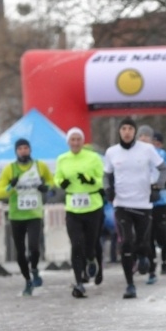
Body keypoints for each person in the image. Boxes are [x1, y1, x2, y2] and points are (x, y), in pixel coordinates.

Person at [104, 118, 166, 299]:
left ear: (134, 132)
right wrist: (108, 190)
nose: (127, 132)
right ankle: (130, 285)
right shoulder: (112, 152)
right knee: (126, 241)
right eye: (123, 128)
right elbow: (106, 174)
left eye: (130, 129)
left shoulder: (147, 149)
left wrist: (157, 187)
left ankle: (143, 256)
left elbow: (164, 169)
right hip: (122, 204)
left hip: (143, 203)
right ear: (119, 132)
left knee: (142, 241)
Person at [0, 138, 54, 296]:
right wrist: (11, 186)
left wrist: (45, 187)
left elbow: (52, 181)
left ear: (30, 150)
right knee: (20, 252)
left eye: (26, 148)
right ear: (16, 151)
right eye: (20, 148)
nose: (23, 151)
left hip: (34, 213)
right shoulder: (10, 169)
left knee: (34, 247)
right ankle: (27, 281)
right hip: (16, 215)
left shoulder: (40, 166)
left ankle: (34, 269)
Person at [54, 128, 105, 298]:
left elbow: (101, 179)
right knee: (76, 244)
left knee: (91, 244)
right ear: (68, 142)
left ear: (83, 142)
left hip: (92, 207)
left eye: (78, 139)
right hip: (72, 207)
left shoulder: (93, 158)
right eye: (72, 140)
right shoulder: (62, 159)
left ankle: (92, 259)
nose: (75, 143)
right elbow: (57, 177)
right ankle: (79, 282)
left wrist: (90, 180)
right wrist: (61, 182)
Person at [137, 125, 166, 282]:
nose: (144, 138)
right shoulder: (134, 154)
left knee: (161, 234)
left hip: (161, 200)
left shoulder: (161, 154)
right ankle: (152, 269)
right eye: (141, 136)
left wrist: (159, 186)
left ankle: (164, 260)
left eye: (147, 136)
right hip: (143, 201)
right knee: (148, 235)